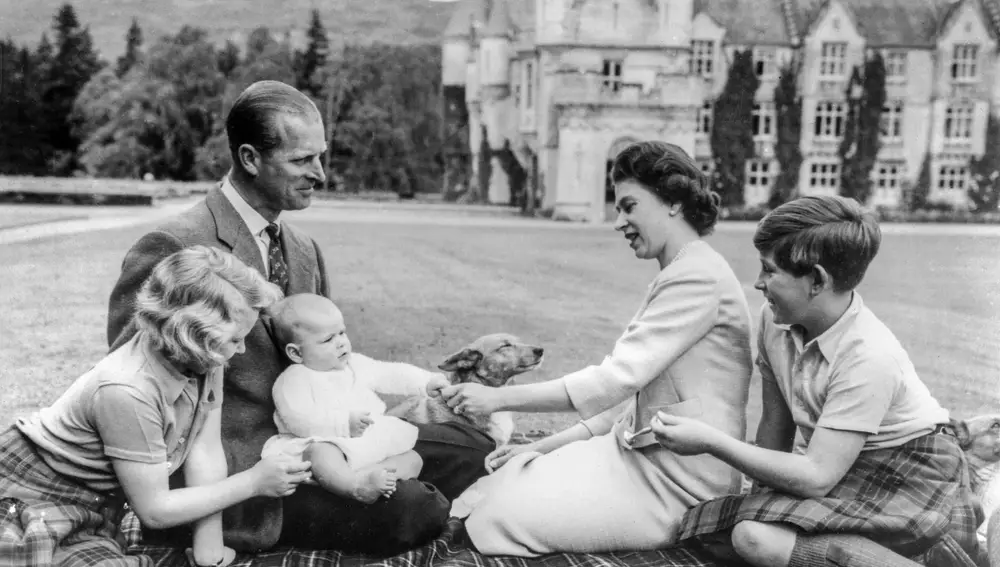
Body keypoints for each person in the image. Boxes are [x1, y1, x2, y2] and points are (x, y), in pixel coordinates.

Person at [106, 80, 494, 555]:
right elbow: (132, 387)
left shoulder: (304, 251)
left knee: (472, 444)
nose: (322, 174)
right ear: (249, 158)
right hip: (246, 478)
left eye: (321, 156)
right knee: (416, 508)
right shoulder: (175, 245)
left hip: (327, 444)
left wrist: (373, 422)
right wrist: (216, 495)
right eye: (302, 160)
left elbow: (331, 364)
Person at [438, 141, 754, 556]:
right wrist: (541, 446)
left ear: (673, 201)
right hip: (635, 457)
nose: (618, 221)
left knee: (496, 518)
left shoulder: (698, 278)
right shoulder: (682, 270)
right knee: (509, 478)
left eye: (629, 206)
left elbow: (615, 380)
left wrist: (497, 397)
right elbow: (629, 403)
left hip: (679, 485)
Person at [654, 195, 982, 567]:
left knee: (752, 537)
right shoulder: (773, 320)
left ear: (817, 280)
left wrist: (711, 442)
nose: (758, 283)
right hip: (837, 462)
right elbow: (775, 426)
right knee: (712, 529)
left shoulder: (869, 356)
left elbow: (815, 478)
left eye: (769, 270)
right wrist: (761, 499)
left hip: (911, 472)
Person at [0, 246, 310, 567]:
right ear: (191, 333)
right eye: (235, 339)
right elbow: (155, 511)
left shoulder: (206, 356)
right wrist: (254, 482)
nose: (242, 349)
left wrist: (209, 549)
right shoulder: (126, 389)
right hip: (32, 494)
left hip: (96, 503)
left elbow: (204, 451)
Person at [261, 293, 450, 504]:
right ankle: (355, 486)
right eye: (328, 339)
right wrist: (342, 424)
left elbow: (388, 373)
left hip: (365, 442)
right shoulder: (294, 379)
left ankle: (377, 477)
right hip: (324, 440)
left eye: (341, 333)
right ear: (296, 353)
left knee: (412, 458)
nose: (341, 343)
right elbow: (298, 418)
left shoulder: (354, 364)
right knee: (320, 453)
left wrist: (425, 382)